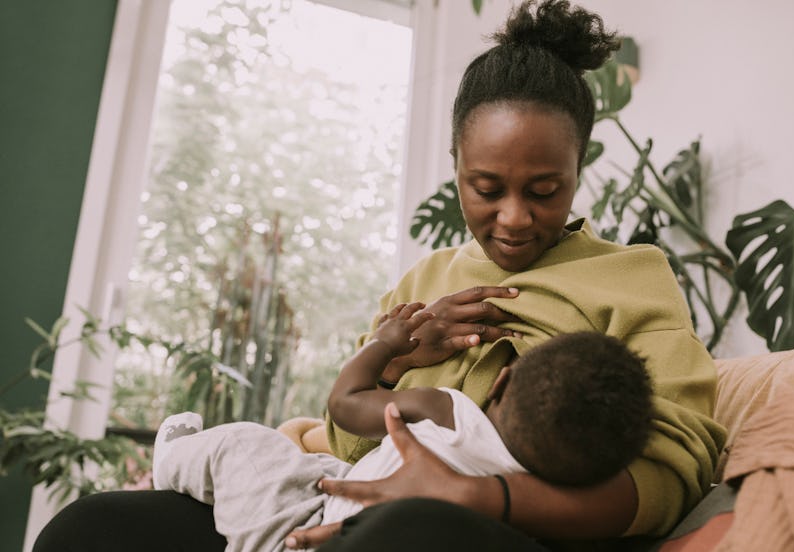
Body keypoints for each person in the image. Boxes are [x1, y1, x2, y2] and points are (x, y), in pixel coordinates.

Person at [33, 1, 726, 550]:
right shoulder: (425, 279)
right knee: (94, 528)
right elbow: (346, 444)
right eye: (486, 188)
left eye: (544, 191)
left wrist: (484, 497)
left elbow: (673, 470)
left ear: (580, 169)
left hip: (505, 525)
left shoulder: (633, 277)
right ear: (455, 163)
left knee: (406, 533)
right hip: (350, 500)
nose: (513, 218)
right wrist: (399, 362)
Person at [149, 303, 653, 551]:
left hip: (298, 533)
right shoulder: (542, 504)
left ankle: (172, 459)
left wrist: (388, 344)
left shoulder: (449, 412)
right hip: (335, 503)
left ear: (501, 382)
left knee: (247, 444)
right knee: (317, 462)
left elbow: (345, 404)